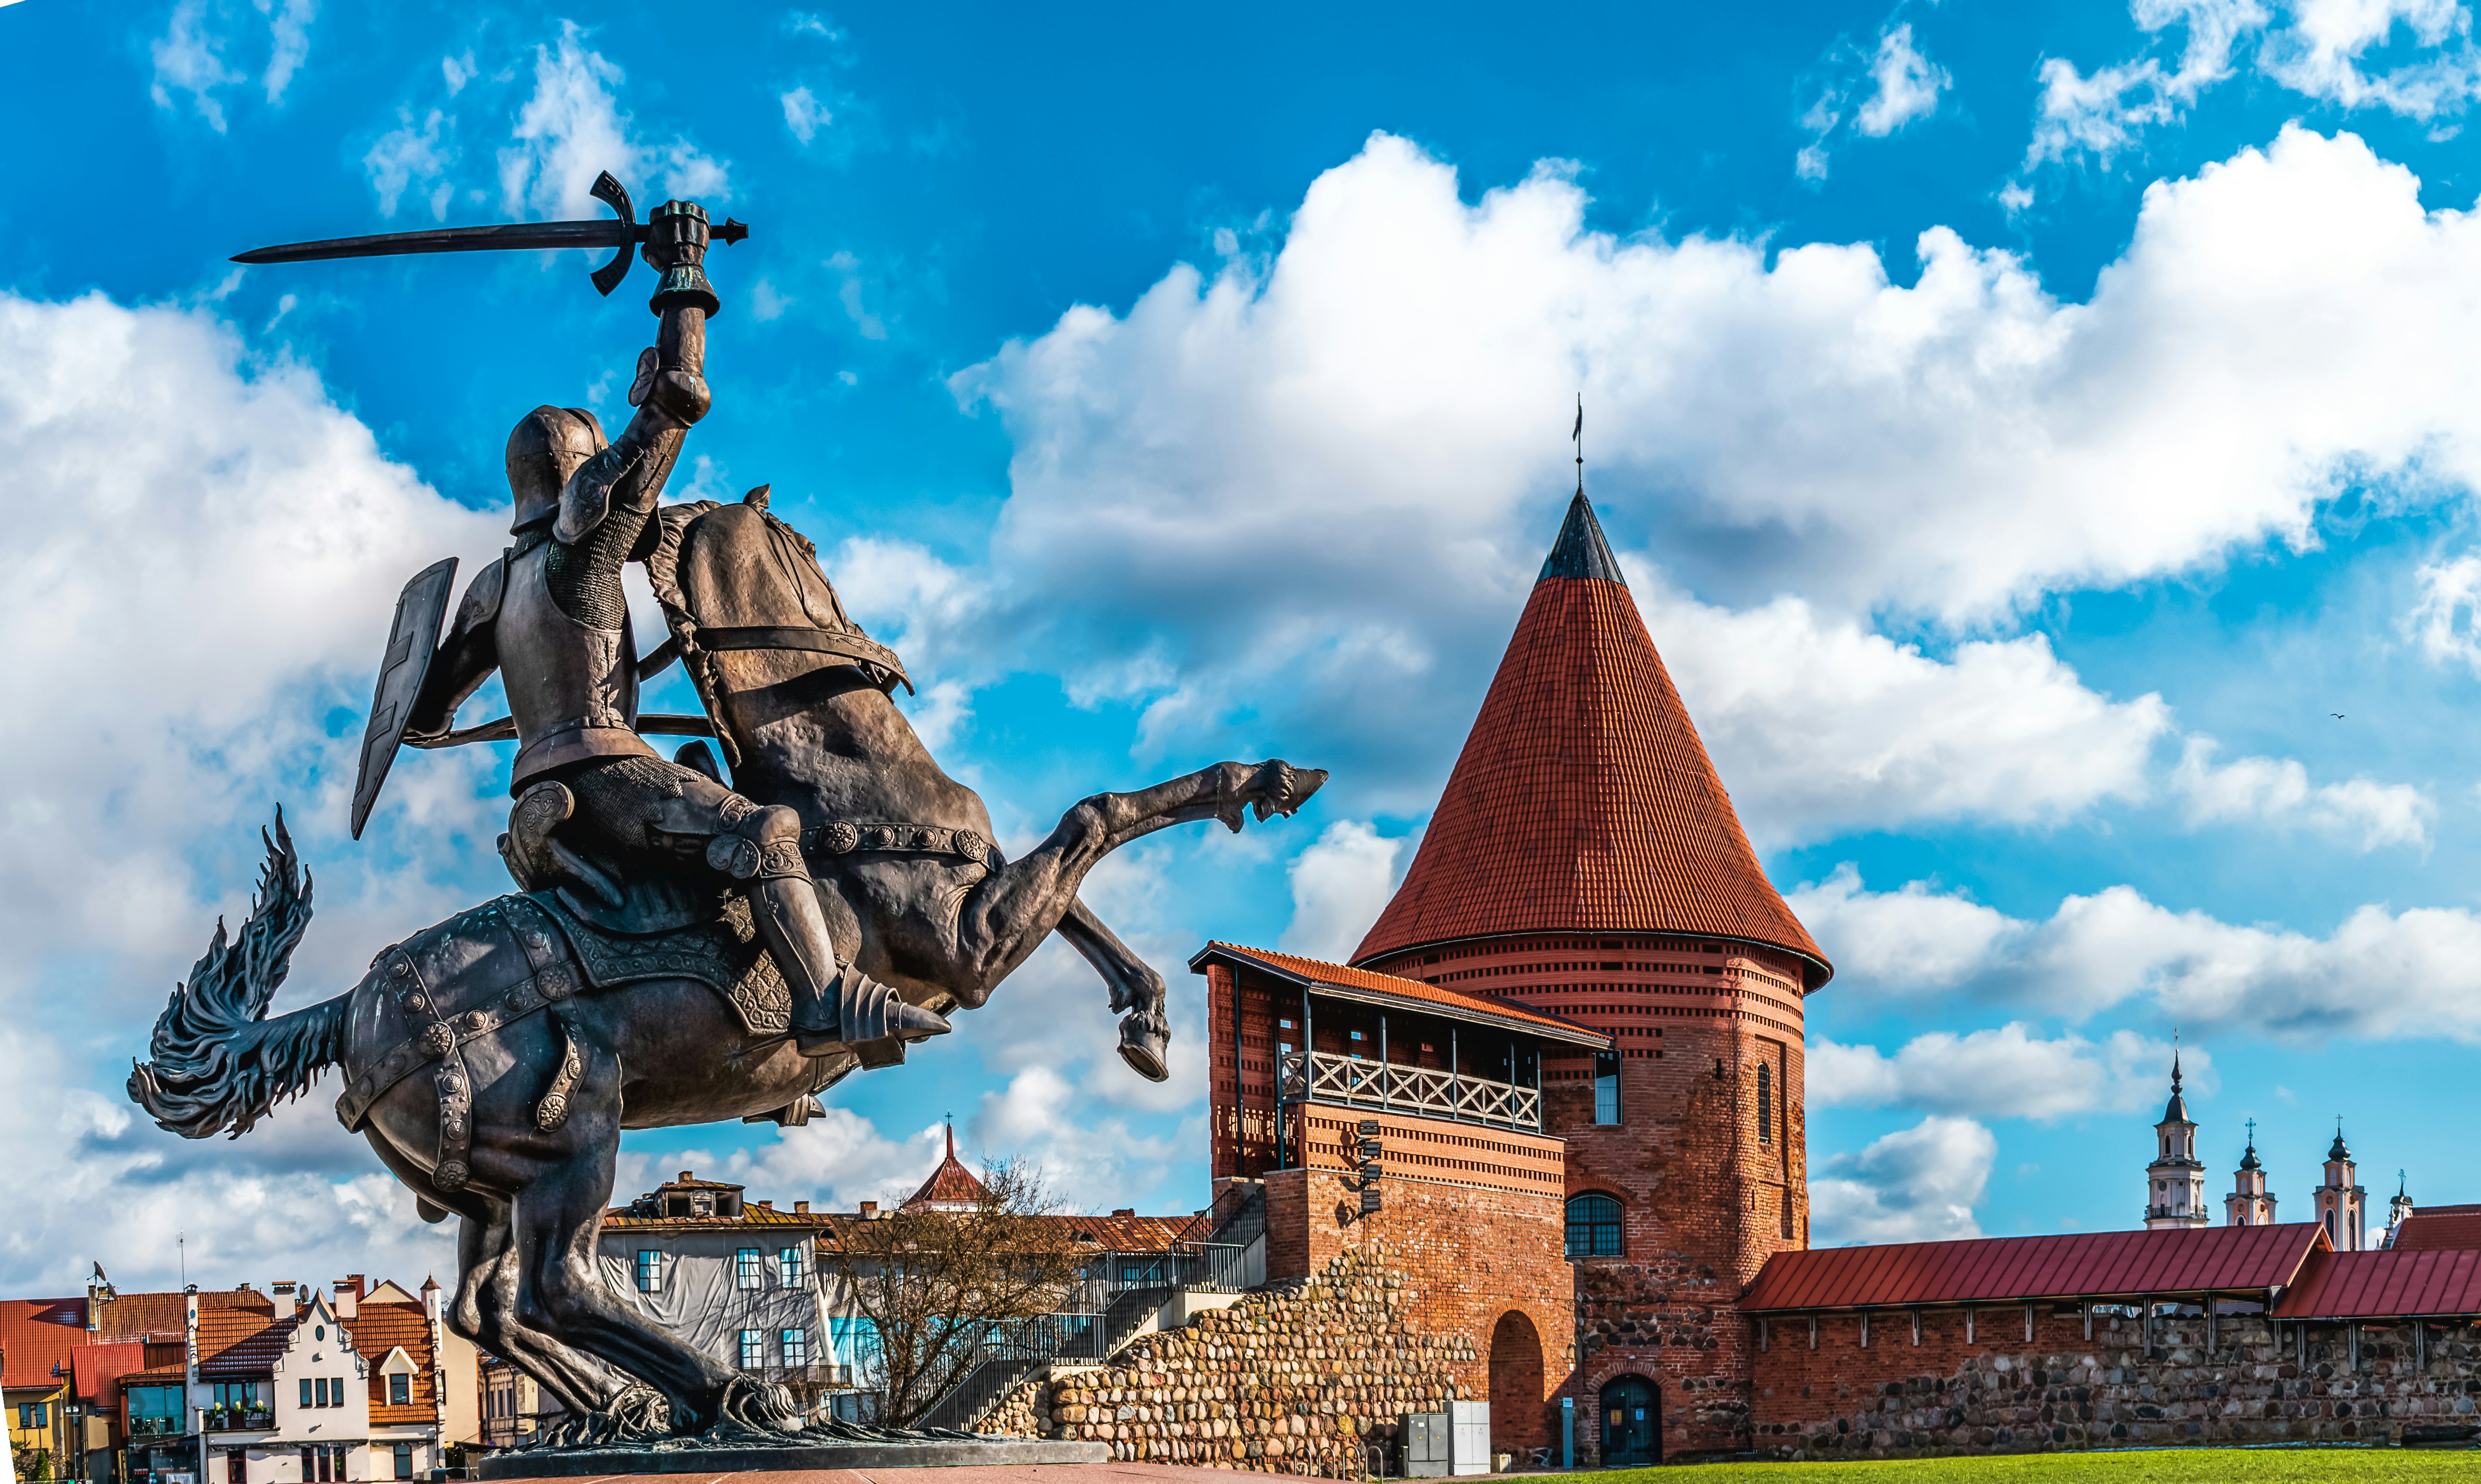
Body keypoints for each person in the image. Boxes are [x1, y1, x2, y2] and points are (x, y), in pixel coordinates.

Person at [403, 198, 944, 1062]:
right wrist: (682, 277)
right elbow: (675, 403)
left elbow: (426, 722)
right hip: (607, 779)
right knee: (767, 833)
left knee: (701, 784)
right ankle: (825, 1002)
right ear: (577, 483)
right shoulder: (579, 553)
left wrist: (541, 713)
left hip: (541, 787)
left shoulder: (489, 592)